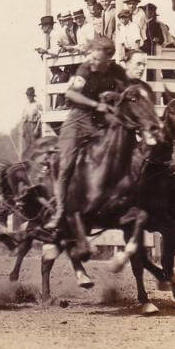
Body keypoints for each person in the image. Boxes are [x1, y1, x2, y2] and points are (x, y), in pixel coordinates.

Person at [44, 37, 129, 231]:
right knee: (66, 164)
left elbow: (128, 91)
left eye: (97, 59)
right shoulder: (84, 69)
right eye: (91, 57)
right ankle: (60, 212)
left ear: (109, 59)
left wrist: (116, 99)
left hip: (102, 121)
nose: (92, 61)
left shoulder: (117, 72)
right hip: (78, 120)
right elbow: (71, 94)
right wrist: (95, 104)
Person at [20, 87, 43, 157]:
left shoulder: (37, 104)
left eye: (30, 95)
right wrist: (23, 129)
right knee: (27, 145)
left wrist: (37, 128)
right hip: (26, 125)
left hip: (34, 125)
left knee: (35, 144)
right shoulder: (26, 105)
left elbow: (40, 117)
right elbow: (23, 118)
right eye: (28, 95)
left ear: (33, 96)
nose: (29, 97)